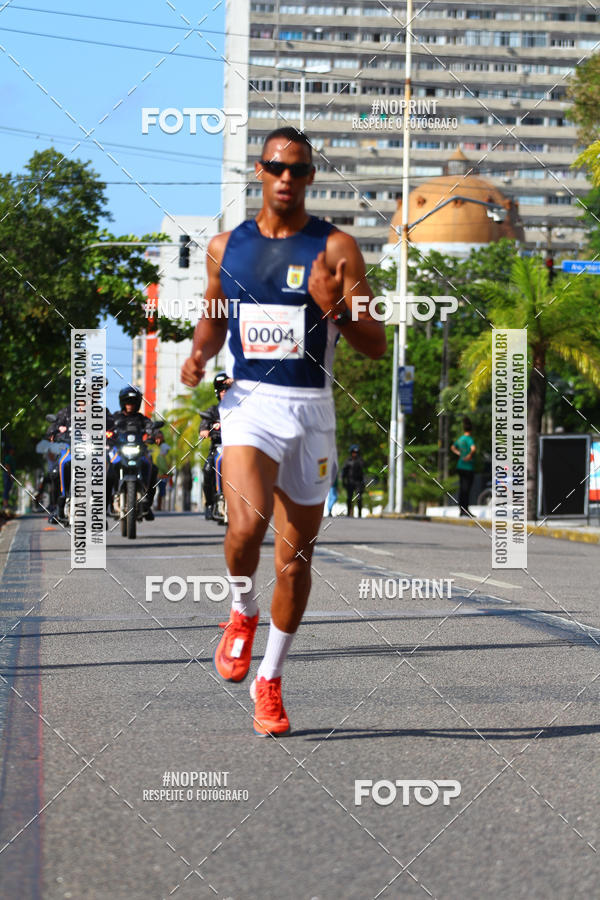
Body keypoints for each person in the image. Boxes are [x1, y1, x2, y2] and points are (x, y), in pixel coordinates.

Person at [181, 126, 385, 736]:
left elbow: (376, 345)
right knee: (246, 524)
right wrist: (197, 355)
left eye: (298, 169)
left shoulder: (338, 249)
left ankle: (269, 679)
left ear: (311, 177)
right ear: (260, 171)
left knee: (295, 560)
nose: (286, 178)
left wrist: (340, 309)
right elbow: (214, 321)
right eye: (276, 167)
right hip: (250, 403)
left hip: (311, 409)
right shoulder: (225, 246)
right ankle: (241, 610)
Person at [111, 386, 162, 521]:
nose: (130, 405)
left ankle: (147, 504)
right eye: (127, 402)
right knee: (108, 469)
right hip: (119, 452)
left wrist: (157, 435)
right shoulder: (114, 418)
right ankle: (107, 501)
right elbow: (104, 428)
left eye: (133, 402)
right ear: (122, 402)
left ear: (138, 403)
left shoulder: (142, 419)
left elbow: (151, 428)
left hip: (140, 452)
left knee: (153, 468)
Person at [199, 372, 232, 519]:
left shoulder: (239, 409)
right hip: (217, 448)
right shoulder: (212, 411)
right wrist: (204, 431)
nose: (224, 392)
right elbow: (204, 424)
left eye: (226, 389)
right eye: (221, 390)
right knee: (207, 470)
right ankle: (210, 503)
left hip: (236, 447)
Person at [451, 416, 477, 516]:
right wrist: (469, 456)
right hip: (468, 467)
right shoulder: (469, 439)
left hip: (460, 466)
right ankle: (465, 509)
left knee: (462, 488)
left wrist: (459, 453)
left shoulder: (461, 439)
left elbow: (452, 447)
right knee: (467, 489)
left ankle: (461, 509)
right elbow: (473, 449)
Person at [341, 444, 365, 518]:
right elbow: (344, 472)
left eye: (356, 452)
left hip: (358, 482)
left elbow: (363, 469)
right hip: (350, 482)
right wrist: (343, 481)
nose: (355, 454)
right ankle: (348, 513)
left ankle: (359, 514)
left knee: (359, 498)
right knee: (349, 498)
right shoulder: (347, 461)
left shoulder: (360, 461)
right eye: (354, 452)